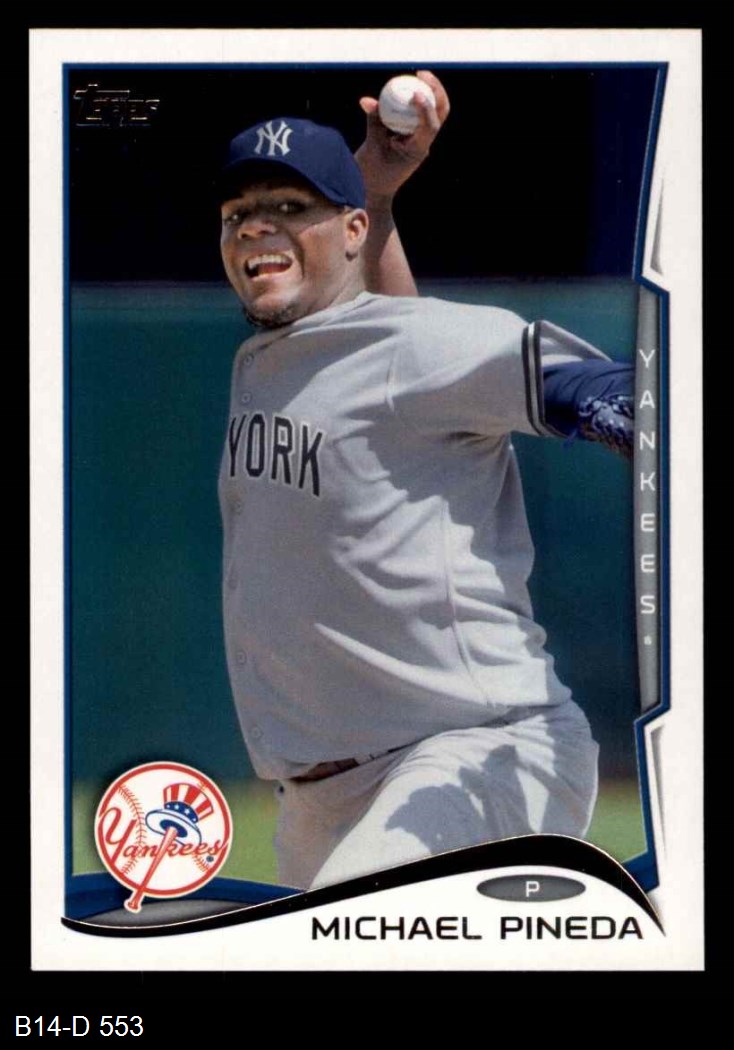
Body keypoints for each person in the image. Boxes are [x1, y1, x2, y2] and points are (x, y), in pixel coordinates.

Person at [216, 73, 634, 890]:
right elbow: (389, 358)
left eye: (292, 206)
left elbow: (587, 386)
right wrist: (372, 189)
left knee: (347, 937)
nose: (257, 225)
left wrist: (618, 407)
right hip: (320, 801)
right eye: (238, 214)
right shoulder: (283, 356)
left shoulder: (417, 346)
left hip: (472, 752)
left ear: (351, 231)